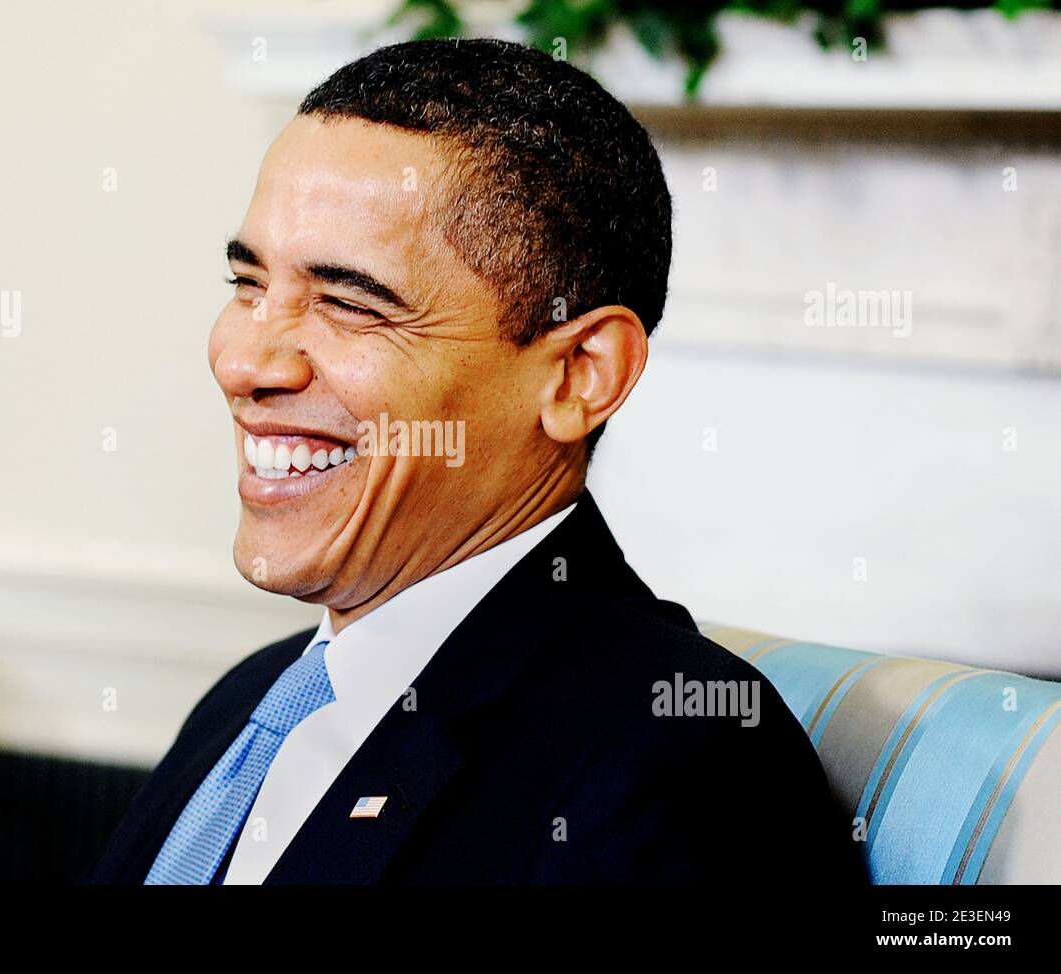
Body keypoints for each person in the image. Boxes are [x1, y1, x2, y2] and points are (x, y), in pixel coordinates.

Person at [88, 37, 867, 885]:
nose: (245, 362)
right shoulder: (250, 700)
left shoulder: (676, 760)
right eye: (248, 285)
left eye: (350, 304)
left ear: (580, 374)